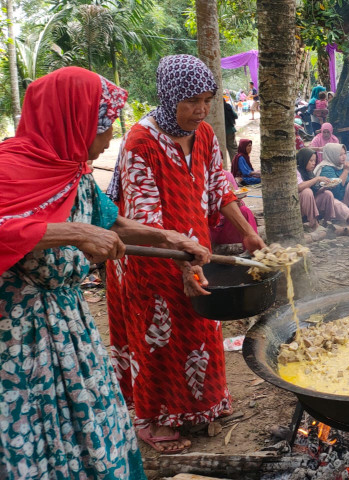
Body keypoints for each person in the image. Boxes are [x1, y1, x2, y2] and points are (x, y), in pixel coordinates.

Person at [0, 68, 209, 474]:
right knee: (36, 434)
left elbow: (109, 221)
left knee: (90, 423)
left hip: (70, 328)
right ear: (72, 122)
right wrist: (74, 232)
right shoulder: (10, 170)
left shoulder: (73, 170)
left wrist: (168, 238)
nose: (111, 137)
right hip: (19, 338)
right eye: (104, 126)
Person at [106, 55, 266, 453]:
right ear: (169, 96)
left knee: (199, 326)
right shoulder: (141, 142)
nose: (201, 110)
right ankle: (156, 420)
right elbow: (143, 215)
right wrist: (182, 261)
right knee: (160, 336)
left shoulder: (205, 134)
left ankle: (198, 408)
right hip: (150, 255)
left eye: (207, 100)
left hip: (195, 248)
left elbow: (220, 189)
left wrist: (248, 233)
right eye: (191, 101)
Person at [296, 147, 349, 227]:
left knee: (327, 193)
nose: (313, 163)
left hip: (318, 201)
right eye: (311, 161)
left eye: (314, 160)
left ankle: (327, 222)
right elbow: (298, 187)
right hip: (300, 205)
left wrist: (325, 188)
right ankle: (313, 222)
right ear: (303, 160)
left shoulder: (309, 172)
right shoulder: (297, 171)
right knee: (307, 191)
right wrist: (316, 179)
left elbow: (315, 191)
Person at [210, 171, 259, 247]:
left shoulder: (226, 175)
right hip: (206, 228)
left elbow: (236, 202)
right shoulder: (196, 177)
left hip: (226, 227)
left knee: (245, 211)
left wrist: (237, 201)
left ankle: (253, 246)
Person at [315, 143, 349, 214]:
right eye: (340, 155)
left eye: (344, 154)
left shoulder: (341, 165)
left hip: (344, 197)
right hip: (334, 201)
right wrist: (346, 171)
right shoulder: (326, 168)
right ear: (332, 155)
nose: (344, 157)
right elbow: (335, 189)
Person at [223, 98, 238, 164]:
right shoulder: (227, 106)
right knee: (233, 149)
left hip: (221, 132)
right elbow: (235, 116)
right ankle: (235, 165)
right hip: (230, 130)